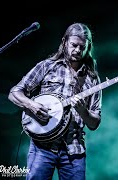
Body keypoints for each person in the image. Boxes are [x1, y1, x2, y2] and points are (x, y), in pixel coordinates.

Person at [8, 23, 102, 180]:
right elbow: (14, 92)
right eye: (74, 45)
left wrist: (83, 111)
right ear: (64, 42)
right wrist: (31, 105)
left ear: (88, 47)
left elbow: (94, 123)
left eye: (82, 47)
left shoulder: (93, 78)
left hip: (74, 151)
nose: (78, 50)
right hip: (42, 148)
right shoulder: (47, 66)